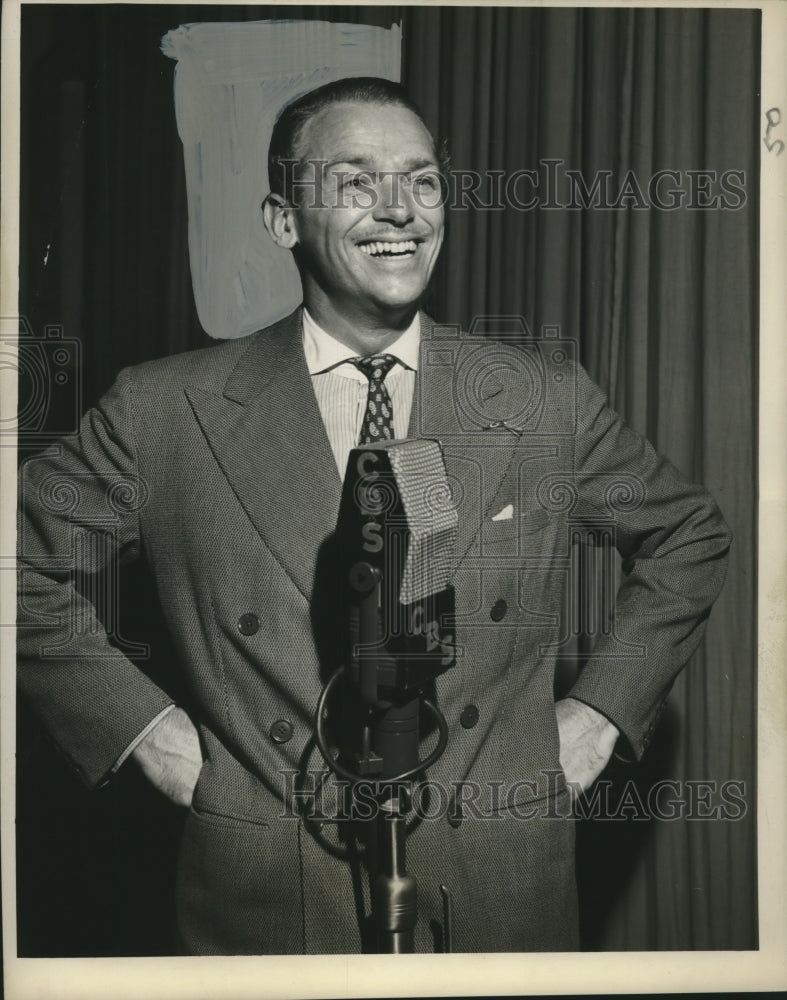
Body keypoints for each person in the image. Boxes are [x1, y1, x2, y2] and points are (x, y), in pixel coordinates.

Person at [17, 77, 731, 954]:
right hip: (271, 890)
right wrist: (145, 734)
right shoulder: (165, 411)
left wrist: (600, 716)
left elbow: (688, 533)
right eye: (356, 182)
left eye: (422, 181)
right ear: (283, 220)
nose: (399, 210)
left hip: (499, 886)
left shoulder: (540, 400)